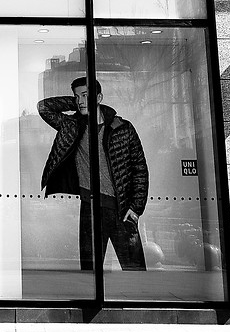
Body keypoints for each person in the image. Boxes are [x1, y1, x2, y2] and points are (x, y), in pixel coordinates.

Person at [38, 76, 148, 271]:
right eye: (76, 96)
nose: (80, 101)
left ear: (99, 98)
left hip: (121, 210)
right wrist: (76, 102)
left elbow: (139, 168)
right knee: (90, 273)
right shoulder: (72, 126)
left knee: (135, 271)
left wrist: (136, 208)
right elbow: (44, 107)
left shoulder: (122, 128)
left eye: (86, 96)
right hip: (89, 208)